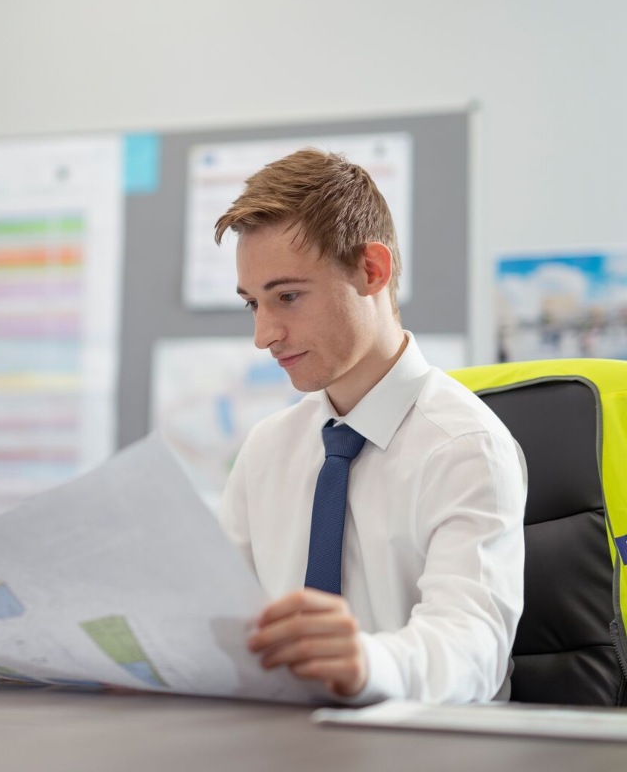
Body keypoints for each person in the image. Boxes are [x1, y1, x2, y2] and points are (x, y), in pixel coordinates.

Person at [214, 148, 526, 704]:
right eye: (252, 305)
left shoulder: (466, 448)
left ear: (371, 270)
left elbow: (472, 649)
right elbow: (217, 625)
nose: (264, 336)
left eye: (287, 296)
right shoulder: (267, 449)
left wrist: (366, 662)